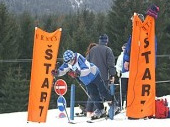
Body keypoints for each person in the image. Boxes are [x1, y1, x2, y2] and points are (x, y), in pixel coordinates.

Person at [51, 50, 113, 119]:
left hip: (94, 74)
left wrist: (78, 73)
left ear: (73, 58)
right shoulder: (68, 62)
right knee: (93, 94)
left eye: (70, 61)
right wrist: (57, 72)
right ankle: (101, 109)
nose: (69, 63)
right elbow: (63, 69)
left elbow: (87, 69)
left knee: (102, 90)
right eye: (67, 62)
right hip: (86, 80)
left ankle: (112, 103)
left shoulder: (79, 58)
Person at [115, 43, 129, 110]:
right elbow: (118, 65)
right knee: (122, 91)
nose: (124, 50)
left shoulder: (129, 55)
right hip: (123, 76)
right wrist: (118, 72)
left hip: (129, 76)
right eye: (123, 48)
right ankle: (120, 105)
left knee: (129, 91)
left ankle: (128, 105)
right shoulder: (120, 56)